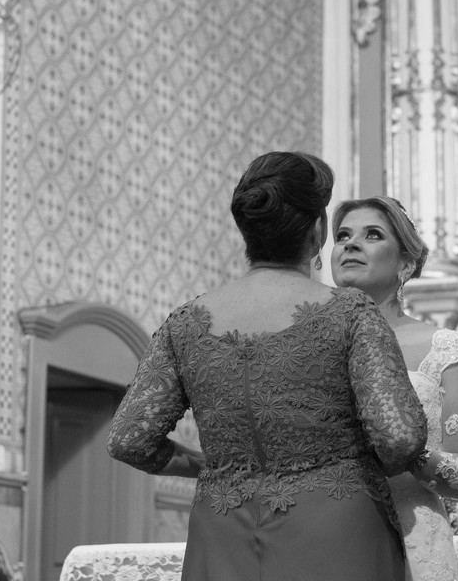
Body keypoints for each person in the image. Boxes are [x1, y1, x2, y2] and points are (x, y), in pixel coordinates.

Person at [107, 152, 427, 581]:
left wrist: (208, 465)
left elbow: (128, 440)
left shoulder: (185, 323)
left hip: (222, 532)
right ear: (317, 232)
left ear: (248, 231)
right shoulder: (350, 313)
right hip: (337, 531)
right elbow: (401, 439)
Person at [331, 196, 458, 581]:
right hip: (324, 535)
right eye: (342, 235)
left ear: (405, 263)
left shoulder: (447, 351)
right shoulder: (305, 345)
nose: (351, 243)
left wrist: (405, 450)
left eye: (372, 234)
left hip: (411, 539)